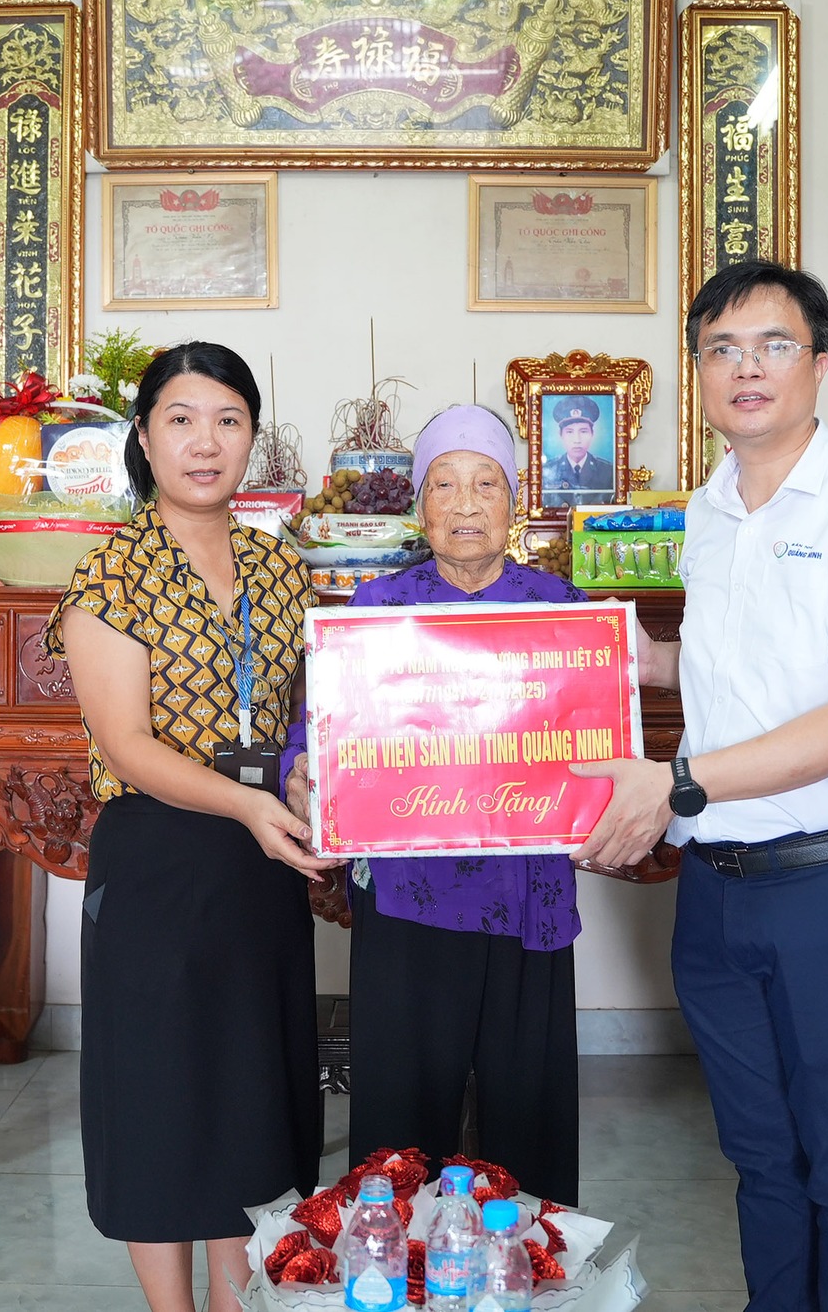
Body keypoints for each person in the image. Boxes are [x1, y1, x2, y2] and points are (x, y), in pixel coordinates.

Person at [568, 259, 828, 1312]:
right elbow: (729, 672)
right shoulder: (709, 509)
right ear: (698, 372)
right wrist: (620, 661)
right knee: (761, 1159)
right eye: (721, 349)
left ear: (818, 364)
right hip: (717, 892)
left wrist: (676, 782)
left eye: (773, 345)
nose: (747, 368)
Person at [44, 341, 325, 1312]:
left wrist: (299, 782)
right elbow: (126, 746)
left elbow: (291, 717)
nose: (205, 443)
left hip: (261, 867)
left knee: (249, 1099)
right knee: (162, 1102)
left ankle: (237, 1302)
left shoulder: (279, 567)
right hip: (160, 862)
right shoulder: (110, 574)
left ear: (252, 436)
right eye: (181, 419)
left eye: (228, 420)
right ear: (143, 435)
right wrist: (248, 803)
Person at [282, 405, 586, 1203]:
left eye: (486, 484)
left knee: (530, 1122)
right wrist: (302, 772)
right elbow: (317, 727)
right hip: (409, 898)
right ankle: (393, 1254)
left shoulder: (560, 607)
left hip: (528, 892)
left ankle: (532, 1257)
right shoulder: (376, 607)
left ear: (514, 502)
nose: (465, 503)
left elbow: (596, 731)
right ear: (419, 506)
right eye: (444, 485)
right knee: (400, 1131)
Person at [540, 394, 614, 507]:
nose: (577, 440)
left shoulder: (608, 472)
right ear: (560, 434)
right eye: (569, 432)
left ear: (592, 433)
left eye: (583, 431)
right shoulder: (548, 470)